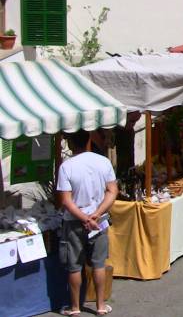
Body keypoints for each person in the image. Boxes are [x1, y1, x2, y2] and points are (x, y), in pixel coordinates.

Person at [57, 130, 118, 317]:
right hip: (98, 221)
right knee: (99, 263)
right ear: (88, 140)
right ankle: (100, 305)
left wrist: (85, 218)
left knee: (74, 265)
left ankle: (75, 307)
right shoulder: (103, 161)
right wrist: (96, 215)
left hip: (75, 222)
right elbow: (112, 191)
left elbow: (66, 201)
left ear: (71, 144)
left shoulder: (67, 167)